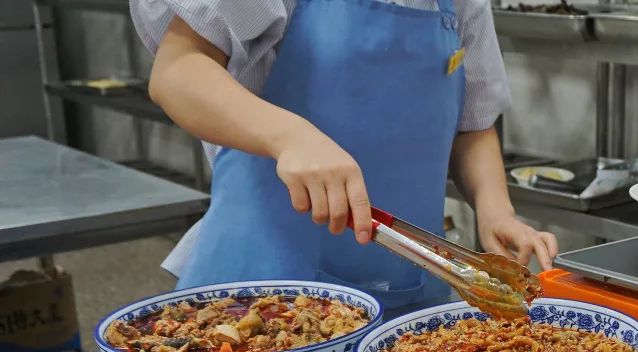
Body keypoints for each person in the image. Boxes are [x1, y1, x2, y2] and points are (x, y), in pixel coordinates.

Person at [131, 0, 557, 314]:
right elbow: (179, 71)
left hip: (401, 289)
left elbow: (473, 124)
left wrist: (495, 210)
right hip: (264, 289)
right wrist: (289, 137)